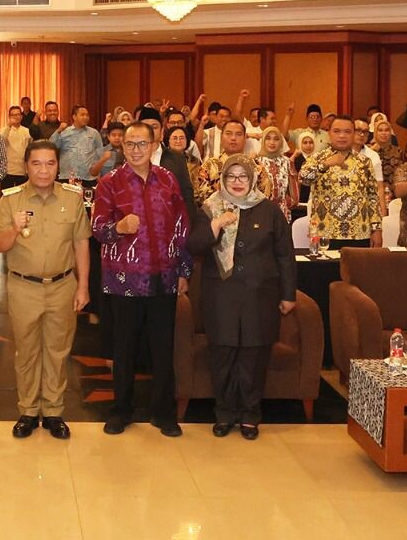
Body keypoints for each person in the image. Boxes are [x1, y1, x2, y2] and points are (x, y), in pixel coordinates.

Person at [91, 122, 190, 437]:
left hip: (164, 277)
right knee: (125, 349)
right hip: (125, 280)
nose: (135, 149)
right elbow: (97, 228)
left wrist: (184, 270)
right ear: (122, 147)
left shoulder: (168, 179)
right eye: (130, 144)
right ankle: (121, 410)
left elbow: (182, 226)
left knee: (163, 347)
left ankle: (163, 413)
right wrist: (117, 228)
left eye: (141, 143)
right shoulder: (109, 183)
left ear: (153, 144)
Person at [187, 154, 296, 440]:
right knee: (222, 355)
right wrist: (217, 224)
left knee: (253, 356)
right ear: (223, 179)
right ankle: (224, 413)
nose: (237, 182)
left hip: (259, 297)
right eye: (231, 176)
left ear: (253, 179)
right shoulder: (210, 207)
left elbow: (285, 255)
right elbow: (194, 244)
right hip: (220, 296)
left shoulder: (269, 210)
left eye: (243, 177)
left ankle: (250, 415)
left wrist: (288, 295)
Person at [0, 141, 90, 439]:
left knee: (58, 352)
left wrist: (83, 285)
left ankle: (54, 411)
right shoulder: (10, 200)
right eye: (37, 163)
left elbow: (81, 243)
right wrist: (14, 229)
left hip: (62, 285)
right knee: (27, 352)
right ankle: (28, 411)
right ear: (26, 166)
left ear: (58, 166)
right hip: (24, 286)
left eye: (50, 163)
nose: (44, 170)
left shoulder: (72, 199)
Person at [301, 118, 382, 248]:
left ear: (354, 134)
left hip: (359, 232)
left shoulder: (364, 162)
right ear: (329, 133)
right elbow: (304, 179)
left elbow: (372, 197)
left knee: (359, 268)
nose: (342, 136)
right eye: (337, 131)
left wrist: (377, 229)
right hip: (325, 232)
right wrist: (325, 165)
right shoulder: (317, 158)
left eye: (347, 131)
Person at [194, 120, 274, 206]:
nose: (233, 138)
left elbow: (266, 194)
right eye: (228, 133)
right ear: (221, 137)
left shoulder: (256, 166)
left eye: (238, 134)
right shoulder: (209, 165)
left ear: (245, 138)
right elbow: (200, 195)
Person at [52, 105, 103, 187]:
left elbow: (100, 154)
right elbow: (51, 146)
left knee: (88, 199)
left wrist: (99, 173)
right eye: (82, 115)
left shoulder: (94, 133)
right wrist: (58, 131)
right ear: (74, 117)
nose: (86, 117)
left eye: (87, 115)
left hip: (88, 178)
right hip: (68, 177)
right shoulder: (64, 132)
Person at [256, 126, 298, 220]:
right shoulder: (255, 162)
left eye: (276, 139)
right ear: (263, 141)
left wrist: (284, 204)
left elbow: (295, 194)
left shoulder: (287, 162)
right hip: (260, 214)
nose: (272, 142)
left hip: (282, 214)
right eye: (268, 138)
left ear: (281, 142)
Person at [0, 105, 31, 190]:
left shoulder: (27, 131)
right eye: (13, 115)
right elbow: (0, 142)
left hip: (22, 171)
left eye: (18, 115)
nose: (16, 117)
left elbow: (29, 151)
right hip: (7, 171)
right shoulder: (4, 130)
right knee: (6, 198)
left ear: (21, 116)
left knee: (21, 198)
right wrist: (9, 126)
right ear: (9, 117)